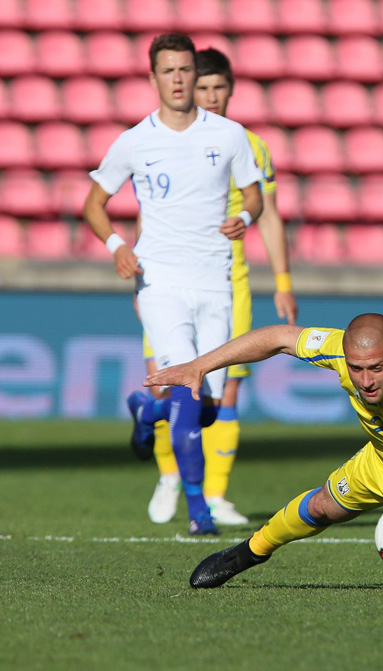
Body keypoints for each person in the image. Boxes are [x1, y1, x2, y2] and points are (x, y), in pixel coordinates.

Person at [143, 314, 383, 592]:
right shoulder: (343, 353)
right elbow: (279, 337)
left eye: (376, 368)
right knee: (323, 506)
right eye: (356, 369)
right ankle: (246, 554)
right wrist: (200, 366)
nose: (365, 381)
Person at [82, 33, 263, 536]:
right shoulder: (135, 141)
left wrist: (245, 216)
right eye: (169, 71)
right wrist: (118, 246)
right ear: (153, 77)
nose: (179, 80)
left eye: (185, 70)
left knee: (207, 409)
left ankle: (146, 408)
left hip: (216, 284)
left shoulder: (228, 135)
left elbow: (255, 195)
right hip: (159, 283)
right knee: (188, 390)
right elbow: (93, 204)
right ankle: (199, 511)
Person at [141, 47, 298, 528]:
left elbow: (267, 216)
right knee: (169, 383)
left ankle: (214, 494)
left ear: (230, 90)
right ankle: (170, 476)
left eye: (217, 87)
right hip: (169, 276)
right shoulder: (164, 138)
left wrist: (283, 281)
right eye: (201, 86)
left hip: (230, 284)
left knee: (222, 393)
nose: (209, 95)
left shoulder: (248, 144)